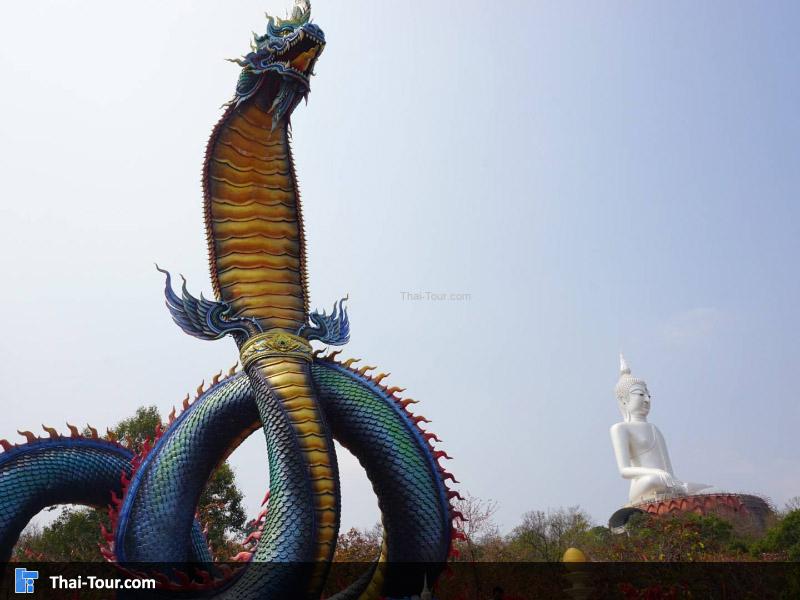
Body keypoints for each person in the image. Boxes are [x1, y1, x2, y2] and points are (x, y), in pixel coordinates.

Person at [609, 355, 709, 505]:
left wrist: (674, 481)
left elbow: (669, 471)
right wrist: (656, 473)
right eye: (641, 394)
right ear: (624, 400)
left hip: (666, 481)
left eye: (649, 395)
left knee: (705, 490)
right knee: (654, 480)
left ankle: (681, 489)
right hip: (645, 482)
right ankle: (677, 487)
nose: (647, 400)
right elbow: (624, 471)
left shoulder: (654, 429)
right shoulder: (620, 428)